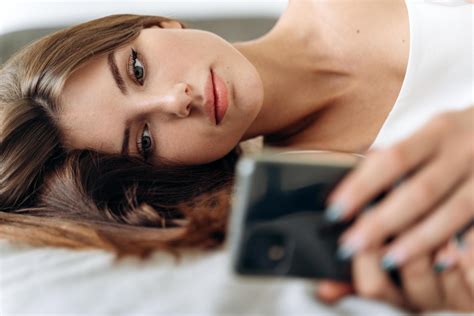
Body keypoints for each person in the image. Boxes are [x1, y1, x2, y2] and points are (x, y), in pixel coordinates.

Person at [0, 0, 472, 311]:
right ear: (169, 176)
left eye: (137, 69)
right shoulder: (337, 197)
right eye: (144, 140)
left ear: (154, 24)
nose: (175, 101)